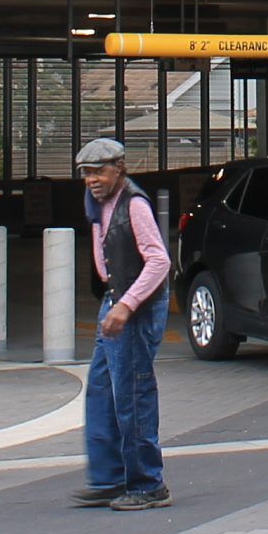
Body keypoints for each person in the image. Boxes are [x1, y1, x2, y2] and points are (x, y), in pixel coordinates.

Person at [73, 139, 170, 511]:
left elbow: (159, 261)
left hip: (136, 306)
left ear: (120, 168)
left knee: (132, 394)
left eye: (100, 171)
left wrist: (127, 305)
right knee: (100, 391)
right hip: (114, 300)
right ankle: (110, 476)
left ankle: (149, 483)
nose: (92, 179)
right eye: (86, 173)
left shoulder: (135, 204)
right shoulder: (97, 202)